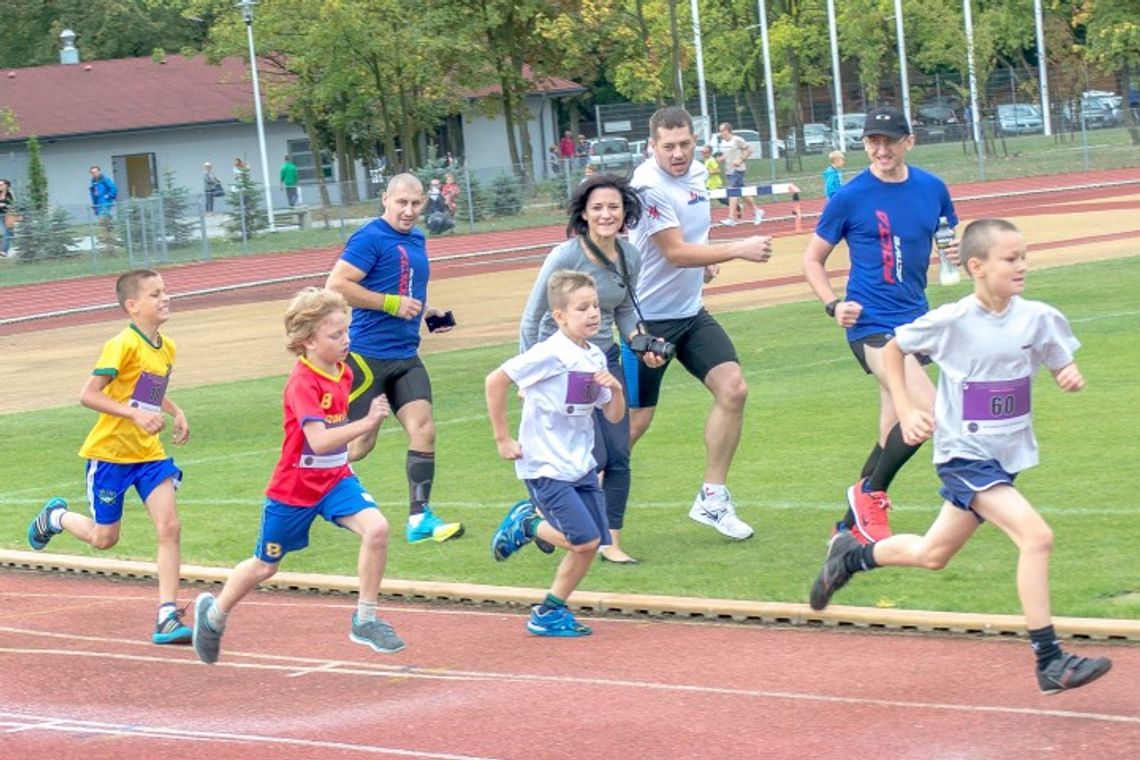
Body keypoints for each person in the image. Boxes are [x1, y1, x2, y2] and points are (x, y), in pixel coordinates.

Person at [810, 218, 1113, 695]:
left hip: (1004, 458)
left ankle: (852, 557)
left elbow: (1058, 354)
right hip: (965, 456)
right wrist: (907, 409)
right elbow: (893, 349)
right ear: (976, 266)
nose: (1022, 266)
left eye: (1024, 257)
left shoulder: (1038, 317)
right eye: (1011, 259)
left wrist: (1067, 373)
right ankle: (1049, 660)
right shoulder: (953, 321)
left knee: (934, 554)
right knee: (1037, 537)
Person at [191, 287, 404, 664]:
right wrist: (366, 421)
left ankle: (365, 619)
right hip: (294, 491)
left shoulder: (344, 371)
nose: (345, 341)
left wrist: (372, 426)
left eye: (346, 331)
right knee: (264, 566)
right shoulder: (302, 383)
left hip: (336, 480)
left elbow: (347, 447)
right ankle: (213, 616)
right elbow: (320, 441)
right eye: (335, 335)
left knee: (377, 529)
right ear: (307, 341)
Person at [802, 105, 958, 545]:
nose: (881, 148)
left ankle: (846, 527)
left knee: (893, 430)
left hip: (915, 323)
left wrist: (953, 255)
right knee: (926, 412)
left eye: (890, 140)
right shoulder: (849, 197)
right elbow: (812, 259)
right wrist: (833, 305)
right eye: (873, 140)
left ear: (909, 141)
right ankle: (869, 494)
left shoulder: (933, 188)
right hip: (870, 323)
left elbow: (946, 237)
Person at [625, 105, 773, 540]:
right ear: (652, 146)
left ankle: (712, 498)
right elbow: (673, 251)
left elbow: (690, 242)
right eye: (668, 146)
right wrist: (737, 249)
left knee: (734, 388)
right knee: (634, 423)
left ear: (696, 141)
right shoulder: (647, 186)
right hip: (646, 322)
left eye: (684, 144)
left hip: (689, 313)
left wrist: (702, 267)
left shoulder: (696, 175)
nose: (677, 153)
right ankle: (574, 501)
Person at [26, 269, 192, 644]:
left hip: (149, 455)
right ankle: (55, 516)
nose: (165, 298)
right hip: (111, 457)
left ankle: (167, 616)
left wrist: (174, 410)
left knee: (170, 527)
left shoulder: (166, 347)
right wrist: (134, 414)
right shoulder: (122, 344)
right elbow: (88, 394)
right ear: (132, 306)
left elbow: (147, 391)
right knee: (104, 539)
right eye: (154, 294)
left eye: (165, 291)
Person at [519, 174, 662, 565]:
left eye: (613, 207)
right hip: (562, 368)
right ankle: (538, 516)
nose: (606, 214)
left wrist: (640, 341)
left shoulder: (630, 256)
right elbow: (532, 319)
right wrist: (528, 375)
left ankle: (608, 540)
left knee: (617, 453)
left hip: (603, 363)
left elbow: (625, 309)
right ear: (584, 213)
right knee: (583, 453)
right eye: (597, 207)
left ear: (625, 212)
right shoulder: (566, 256)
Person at [325, 173, 464, 544]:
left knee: (425, 429)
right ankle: (308, 490)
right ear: (385, 199)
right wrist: (390, 304)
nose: (409, 210)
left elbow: (407, 285)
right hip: (367, 359)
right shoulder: (369, 237)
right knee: (360, 445)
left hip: (406, 356)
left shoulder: (417, 238)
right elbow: (336, 285)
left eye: (416, 204)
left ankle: (419, 519)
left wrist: (428, 312)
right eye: (401, 202)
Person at [487, 271, 626, 636]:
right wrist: (502, 438)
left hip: (580, 464)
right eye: (583, 308)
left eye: (595, 306)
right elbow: (496, 380)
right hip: (545, 465)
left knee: (591, 545)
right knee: (586, 540)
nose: (593, 313)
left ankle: (549, 611)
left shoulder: (595, 355)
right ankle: (527, 524)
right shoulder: (548, 353)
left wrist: (615, 389)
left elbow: (612, 415)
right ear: (560, 317)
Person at [715, 122, 763, 227]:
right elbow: (726, 155)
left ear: (727, 130)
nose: (720, 133)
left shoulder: (737, 140)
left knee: (733, 192)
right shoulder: (723, 143)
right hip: (729, 171)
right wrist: (720, 159)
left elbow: (749, 150)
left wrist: (740, 160)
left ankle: (731, 218)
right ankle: (757, 210)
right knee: (743, 193)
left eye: (722, 130)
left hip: (738, 170)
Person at [0, 178, 15, 257]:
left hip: (9, 214)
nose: (0, 186)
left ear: (6, 185)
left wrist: (6, 205)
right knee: (8, 232)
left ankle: (3, 251)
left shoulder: (10, 193)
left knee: (8, 232)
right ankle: (3, 250)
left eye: (1, 184)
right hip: (1, 214)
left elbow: (14, 204)